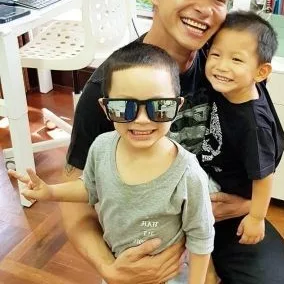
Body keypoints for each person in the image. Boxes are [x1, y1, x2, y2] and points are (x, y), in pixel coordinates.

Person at [64, 0, 284, 283]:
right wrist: (108, 268)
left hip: (224, 219)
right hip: (152, 229)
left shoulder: (226, 67)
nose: (205, 8)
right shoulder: (111, 87)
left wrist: (249, 206)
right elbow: (75, 200)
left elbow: (263, 151)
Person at [9, 43, 214, 284]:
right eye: (123, 107)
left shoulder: (187, 173)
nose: (141, 120)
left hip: (168, 276)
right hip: (119, 267)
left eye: (159, 107)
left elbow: (201, 237)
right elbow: (90, 187)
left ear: (177, 106)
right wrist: (50, 192)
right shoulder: (102, 147)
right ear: (105, 108)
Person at [200, 11, 284, 282]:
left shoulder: (253, 126)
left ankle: (204, 270)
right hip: (217, 171)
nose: (221, 66)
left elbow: (264, 176)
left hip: (230, 190)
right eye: (215, 54)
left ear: (261, 72)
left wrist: (256, 217)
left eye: (236, 60)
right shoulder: (230, 87)